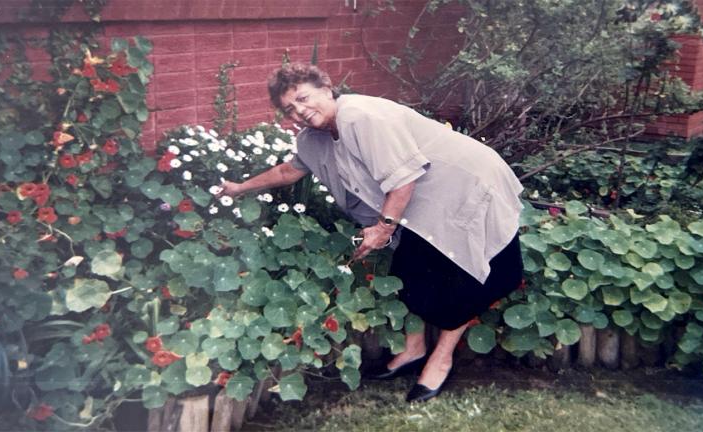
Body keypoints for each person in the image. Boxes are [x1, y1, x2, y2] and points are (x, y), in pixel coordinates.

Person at [215, 63, 524, 403]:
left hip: (466, 184)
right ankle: (414, 348)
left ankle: (440, 359)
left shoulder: (361, 117)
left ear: (326, 88)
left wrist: (383, 228)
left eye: (303, 98)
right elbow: (289, 170)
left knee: (462, 274)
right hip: (423, 202)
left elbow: (404, 179)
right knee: (410, 274)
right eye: (290, 108)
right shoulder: (314, 139)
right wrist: (238, 188)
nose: (300, 111)